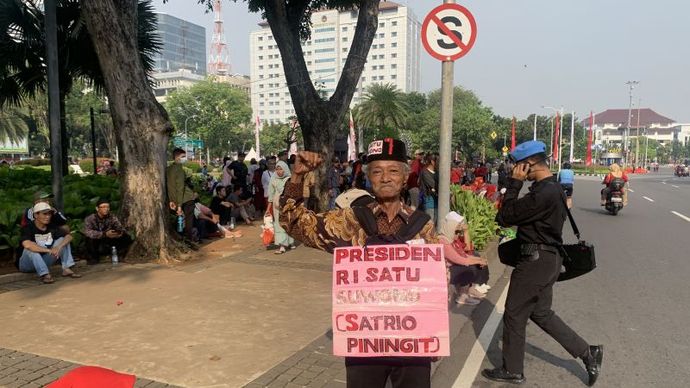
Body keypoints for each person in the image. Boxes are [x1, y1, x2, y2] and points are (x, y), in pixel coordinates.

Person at [278, 139, 441, 388]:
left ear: (405, 177)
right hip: (365, 343)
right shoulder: (349, 222)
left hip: (412, 343)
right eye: (377, 171)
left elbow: (434, 285)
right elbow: (294, 223)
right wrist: (298, 177)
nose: (385, 177)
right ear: (368, 179)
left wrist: (436, 333)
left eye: (393, 170)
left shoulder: (423, 225)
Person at [483, 140, 602, 386]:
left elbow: (505, 217)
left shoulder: (542, 193)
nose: (514, 170)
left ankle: (513, 370)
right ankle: (588, 352)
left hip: (535, 261)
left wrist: (514, 184)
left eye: (517, 166)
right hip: (548, 260)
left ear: (527, 165)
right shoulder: (554, 188)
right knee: (541, 313)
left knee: (515, 314)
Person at [17, 202, 82, 284]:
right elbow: (27, 244)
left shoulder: (51, 226)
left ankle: (66, 268)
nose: (48, 217)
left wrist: (58, 247)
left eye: (49, 214)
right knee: (31, 249)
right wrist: (48, 250)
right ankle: (45, 274)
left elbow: (69, 237)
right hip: (27, 265)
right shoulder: (28, 228)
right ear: (36, 215)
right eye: (44, 214)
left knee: (63, 239)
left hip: (45, 260)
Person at [83, 200, 132, 265]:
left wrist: (118, 233)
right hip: (97, 240)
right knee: (89, 239)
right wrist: (104, 234)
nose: (106, 209)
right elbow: (87, 232)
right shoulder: (90, 218)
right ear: (97, 208)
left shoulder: (112, 217)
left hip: (109, 239)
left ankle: (120, 255)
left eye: (107, 207)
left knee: (126, 236)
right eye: (103, 207)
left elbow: (120, 228)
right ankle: (93, 258)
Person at [166, 148, 198, 242]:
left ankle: (182, 239)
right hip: (186, 199)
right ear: (177, 157)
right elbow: (180, 188)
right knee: (189, 222)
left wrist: (172, 200)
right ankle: (189, 241)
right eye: (183, 156)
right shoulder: (179, 170)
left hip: (176, 200)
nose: (185, 158)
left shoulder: (168, 169)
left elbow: (170, 187)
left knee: (180, 221)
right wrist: (179, 205)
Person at [267, 161, 295, 254]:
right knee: (279, 224)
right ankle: (282, 245)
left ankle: (290, 242)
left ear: (285, 169)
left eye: (281, 169)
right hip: (277, 205)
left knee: (288, 223)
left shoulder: (290, 179)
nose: (279, 171)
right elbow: (271, 194)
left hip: (288, 204)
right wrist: (268, 209)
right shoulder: (273, 178)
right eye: (277, 169)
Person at [420, 153, 439, 223]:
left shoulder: (437, 172)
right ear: (432, 161)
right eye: (438, 161)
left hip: (438, 202)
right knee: (430, 225)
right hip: (429, 202)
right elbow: (435, 185)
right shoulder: (425, 172)